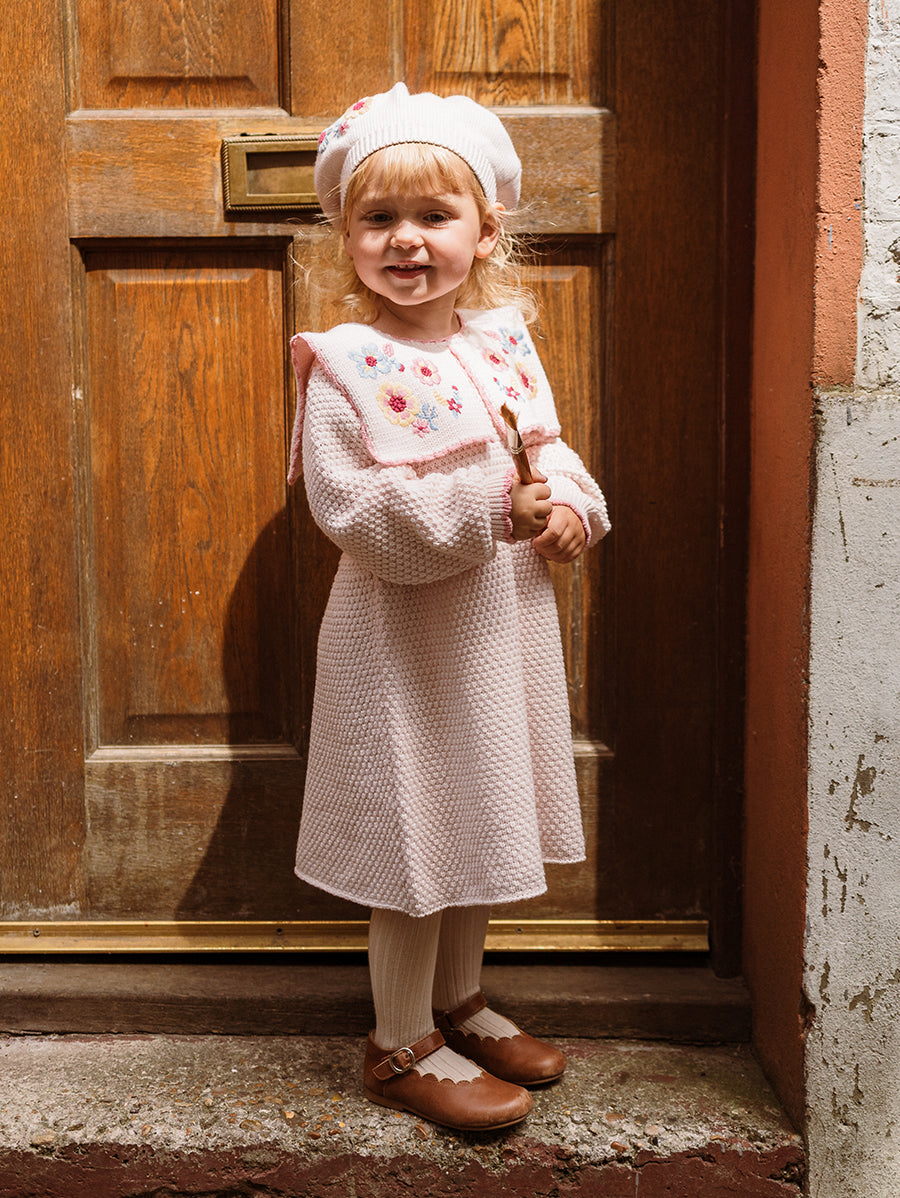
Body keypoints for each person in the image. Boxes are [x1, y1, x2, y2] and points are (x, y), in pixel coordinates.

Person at [287, 81, 610, 1132]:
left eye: (435, 215)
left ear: (487, 229)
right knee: (417, 828)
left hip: (495, 634)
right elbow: (353, 509)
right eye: (379, 217)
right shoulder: (345, 368)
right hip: (403, 646)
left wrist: (570, 507)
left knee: (480, 807)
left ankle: (458, 1000)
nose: (406, 240)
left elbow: (548, 453)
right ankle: (397, 1038)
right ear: (347, 235)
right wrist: (492, 508)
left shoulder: (502, 345)